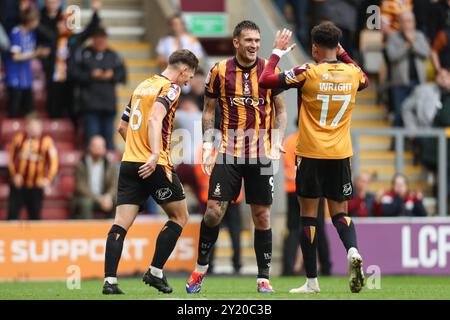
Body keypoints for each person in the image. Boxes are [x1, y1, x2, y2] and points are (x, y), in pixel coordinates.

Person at [259, 23, 369, 293]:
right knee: (340, 213)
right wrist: (344, 55)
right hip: (341, 154)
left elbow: (265, 81)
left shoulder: (307, 72)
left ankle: (311, 282)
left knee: (308, 218)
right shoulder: (352, 73)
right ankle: (352, 250)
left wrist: (276, 52)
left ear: (314, 47)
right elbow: (365, 80)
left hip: (310, 154)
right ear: (338, 45)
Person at [186, 20, 287, 294]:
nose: (254, 45)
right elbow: (208, 111)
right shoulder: (219, 71)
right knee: (213, 212)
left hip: (261, 154)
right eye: (248, 40)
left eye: (257, 40)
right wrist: (208, 145)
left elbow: (281, 110)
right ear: (236, 42)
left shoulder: (269, 69)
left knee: (262, 215)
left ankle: (263, 278)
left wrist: (277, 140)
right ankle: (200, 269)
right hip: (228, 151)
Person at [102, 49, 199, 295]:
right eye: (189, 77)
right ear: (183, 70)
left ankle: (110, 281)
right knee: (180, 216)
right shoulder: (171, 88)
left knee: (120, 224)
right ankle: (155, 271)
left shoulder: (142, 86)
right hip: (154, 165)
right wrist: (154, 154)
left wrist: (136, 150)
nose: (187, 83)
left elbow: (122, 127)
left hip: (129, 163)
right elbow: (156, 119)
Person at [71, 27, 126, 150]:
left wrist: (111, 76)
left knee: (109, 141)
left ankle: (110, 168)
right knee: (92, 140)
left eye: (103, 40)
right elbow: (74, 75)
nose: (101, 43)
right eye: (98, 40)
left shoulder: (113, 55)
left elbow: (122, 76)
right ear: (93, 40)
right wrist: (90, 75)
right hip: (89, 104)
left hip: (108, 104)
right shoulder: (83, 54)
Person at [8, 112, 58, 220]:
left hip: (36, 186)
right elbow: (11, 159)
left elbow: (54, 163)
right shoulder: (18, 139)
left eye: (36, 126)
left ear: (41, 127)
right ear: (26, 127)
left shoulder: (47, 142)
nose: (34, 129)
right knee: (12, 216)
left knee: (35, 218)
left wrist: (48, 179)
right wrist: (14, 175)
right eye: (31, 126)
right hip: (19, 185)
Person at [385, 11, 430, 128]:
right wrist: (406, 45)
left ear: (414, 23)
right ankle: (396, 144)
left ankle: (415, 145)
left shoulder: (419, 36)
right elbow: (392, 56)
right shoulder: (393, 37)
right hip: (400, 83)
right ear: (399, 23)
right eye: (404, 21)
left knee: (418, 114)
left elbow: (426, 53)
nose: (407, 24)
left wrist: (412, 43)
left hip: (418, 82)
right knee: (399, 115)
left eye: (409, 21)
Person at [4, 7, 50, 118]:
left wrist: (40, 53)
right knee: (14, 109)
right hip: (15, 77)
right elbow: (15, 56)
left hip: (26, 77)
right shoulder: (16, 32)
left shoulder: (31, 34)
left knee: (30, 110)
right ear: (30, 21)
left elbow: (31, 51)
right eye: (36, 20)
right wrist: (35, 54)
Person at [72, 135, 118, 219]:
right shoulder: (81, 164)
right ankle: (88, 230)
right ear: (90, 147)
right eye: (96, 146)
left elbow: (114, 186)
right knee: (86, 203)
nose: (99, 149)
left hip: (105, 198)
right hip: (88, 198)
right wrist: (99, 199)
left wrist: (108, 197)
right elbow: (80, 188)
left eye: (101, 146)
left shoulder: (110, 164)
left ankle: (113, 230)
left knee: (118, 202)